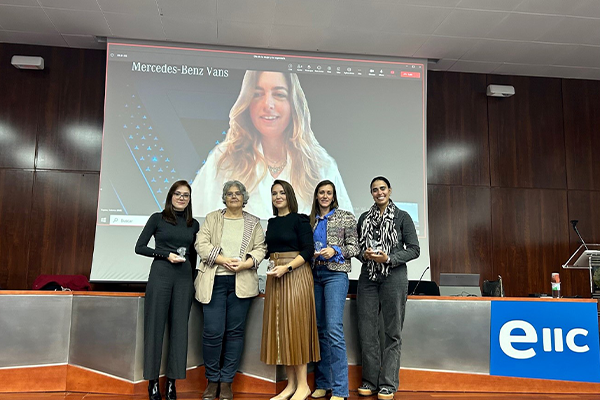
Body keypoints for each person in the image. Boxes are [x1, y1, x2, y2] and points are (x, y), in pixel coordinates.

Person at [191, 70, 352, 219]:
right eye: (257, 94)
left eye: (279, 94)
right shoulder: (223, 160)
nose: (268, 104)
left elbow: (345, 226)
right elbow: (198, 222)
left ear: (293, 103)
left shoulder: (321, 165)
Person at [194, 180, 267, 400]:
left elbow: (261, 248)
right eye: (229, 193)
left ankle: (226, 382)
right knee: (212, 332)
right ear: (224, 198)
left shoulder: (254, 222)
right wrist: (223, 260)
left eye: (238, 193)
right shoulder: (212, 218)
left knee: (235, 334)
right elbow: (201, 244)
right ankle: (212, 380)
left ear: (244, 198)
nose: (234, 196)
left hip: (241, 283)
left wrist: (245, 264)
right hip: (214, 281)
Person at [135, 180, 200, 400]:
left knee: (180, 330)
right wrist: (165, 255)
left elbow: (193, 256)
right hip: (161, 275)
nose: (182, 198)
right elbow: (139, 247)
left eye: (186, 195)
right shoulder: (157, 218)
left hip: (184, 279)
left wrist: (193, 281)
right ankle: (152, 382)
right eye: (178, 194)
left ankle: (172, 383)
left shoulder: (194, 224)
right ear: (171, 196)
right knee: (154, 328)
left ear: (189, 199)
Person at [356, 176, 420, 400]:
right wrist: (364, 255)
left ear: (390, 190)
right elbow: (357, 249)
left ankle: (388, 384)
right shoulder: (364, 218)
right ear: (371, 193)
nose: (379, 192)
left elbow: (414, 249)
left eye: (382, 188)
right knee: (367, 331)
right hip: (368, 277)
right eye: (375, 190)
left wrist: (389, 258)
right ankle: (369, 381)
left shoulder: (403, 217)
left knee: (392, 332)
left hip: (394, 277)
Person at [261, 180, 319, 400]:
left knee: (296, 328)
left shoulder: (300, 219)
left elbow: (308, 250)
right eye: (274, 193)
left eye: (282, 192)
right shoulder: (272, 222)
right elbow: (266, 250)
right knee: (281, 330)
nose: (278, 196)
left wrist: (287, 267)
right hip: (275, 277)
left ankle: (303, 385)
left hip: (296, 274)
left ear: (290, 196)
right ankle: (291, 385)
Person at [309, 180, 359, 400]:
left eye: (329, 192)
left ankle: (339, 390)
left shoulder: (346, 217)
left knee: (333, 329)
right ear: (316, 195)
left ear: (334, 195)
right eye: (321, 192)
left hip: (335, 275)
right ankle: (323, 383)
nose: (325, 196)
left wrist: (335, 250)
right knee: (320, 330)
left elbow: (355, 247)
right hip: (314, 275)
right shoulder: (310, 220)